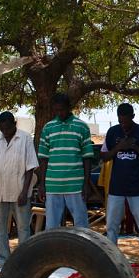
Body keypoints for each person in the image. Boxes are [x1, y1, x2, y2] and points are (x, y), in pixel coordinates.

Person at [101, 103, 139, 268]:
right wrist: (119, 147)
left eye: (126, 120)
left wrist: (133, 146)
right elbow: (104, 156)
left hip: (137, 188)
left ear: (133, 117)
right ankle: (111, 261)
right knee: (111, 226)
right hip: (116, 188)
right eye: (120, 120)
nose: (123, 124)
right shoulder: (113, 132)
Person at [0, 112, 38, 267]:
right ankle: (3, 258)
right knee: (0, 227)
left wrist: (24, 191)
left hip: (20, 192)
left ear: (14, 124)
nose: (5, 131)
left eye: (7, 128)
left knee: (23, 227)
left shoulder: (25, 138)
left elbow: (30, 168)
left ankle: (23, 259)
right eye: (2, 129)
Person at [37, 93, 95, 229]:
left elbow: (87, 157)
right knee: (51, 226)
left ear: (69, 107)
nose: (60, 113)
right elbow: (43, 158)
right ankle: (54, 251)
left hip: (75, 184)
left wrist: (86, 183)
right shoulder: (48, 127)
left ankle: (82, 250)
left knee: (81, 225)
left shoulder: (82, 126)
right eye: (56, 110)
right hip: (52, 185)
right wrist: (42, 183)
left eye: (62, 109)